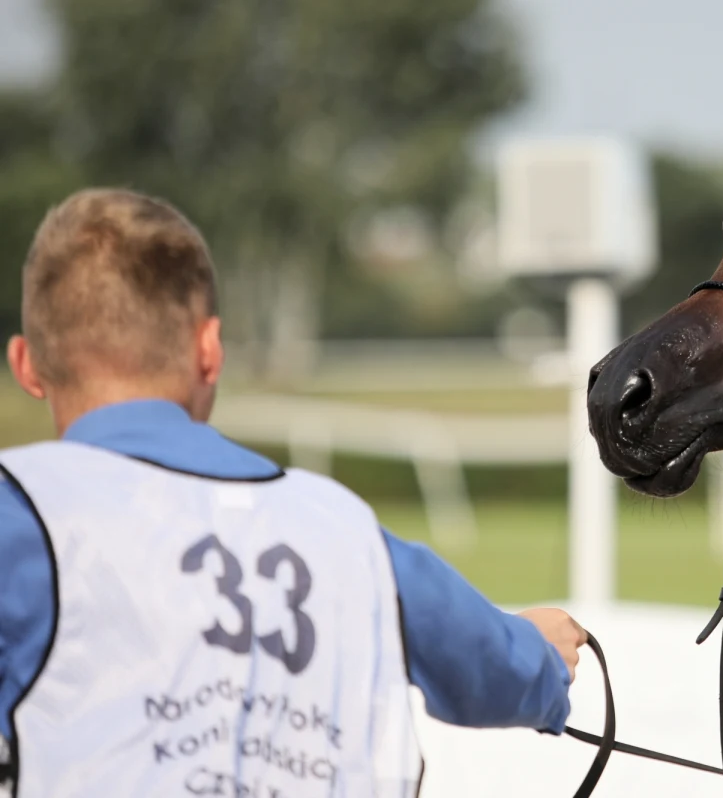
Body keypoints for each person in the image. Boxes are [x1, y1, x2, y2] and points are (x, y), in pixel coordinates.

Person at [0, 188, 589, 797]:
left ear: (26, 366)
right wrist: (540, 653)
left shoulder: (16, 510)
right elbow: (490, 668)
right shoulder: (343, 527)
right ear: (210, 350)